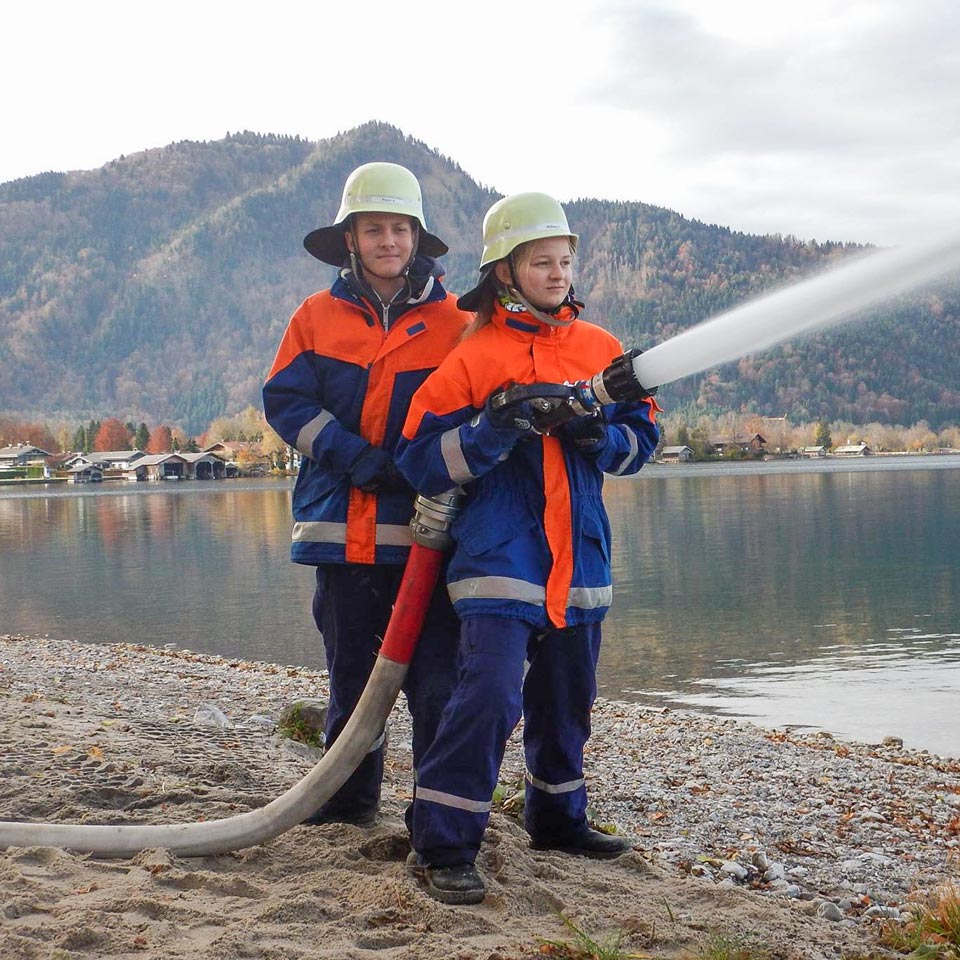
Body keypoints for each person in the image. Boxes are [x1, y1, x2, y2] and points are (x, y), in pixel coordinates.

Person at [394, 192, 661, 904]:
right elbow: (420, 459)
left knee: (567, 699)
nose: (556, 272)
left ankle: (558, 821)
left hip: (581, 561)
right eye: (541, 261)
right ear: (505, 272)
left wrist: (596, 436)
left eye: (564, 261)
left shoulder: (600, 350)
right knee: (485, 696)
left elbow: (642, 444)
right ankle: (442, 846)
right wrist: (493, 428)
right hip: (498, 558)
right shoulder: (472, 356)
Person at [262, 162, 469, 827]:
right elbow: (286, 402)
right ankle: (349, 814)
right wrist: (358, 460)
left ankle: (435, 819)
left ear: (417, 238)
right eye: (374, 228)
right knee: (354, 683)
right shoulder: (314, 318)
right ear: (350, 239)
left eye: (399, 229)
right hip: (341, 537)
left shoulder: (457, 322)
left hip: (429, 540)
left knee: (437, 686)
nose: (388, 241)